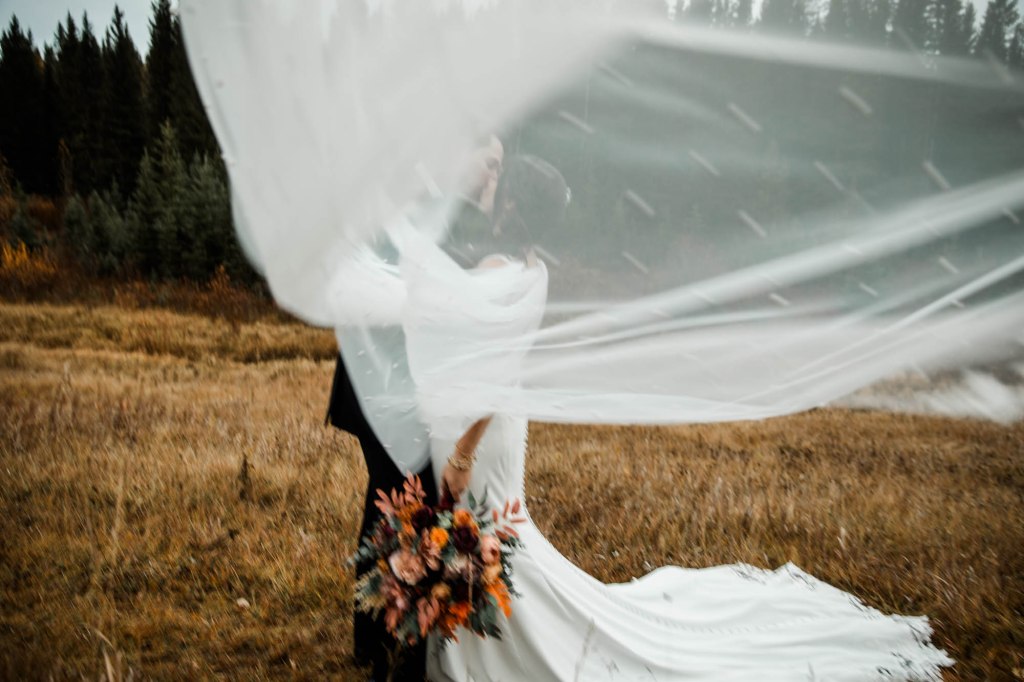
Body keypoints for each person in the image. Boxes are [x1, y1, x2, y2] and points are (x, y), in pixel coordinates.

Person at [394, 156, 954, 681]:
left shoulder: (496, 272)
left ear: (511, 206)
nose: (486, 190)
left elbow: (454, 330)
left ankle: (503, 651)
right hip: (490, 422)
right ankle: (474, 642)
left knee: (482, 536)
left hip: (476, 431)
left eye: (495, 186)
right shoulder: (528, 267)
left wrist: (464, 453)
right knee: (491, 535)